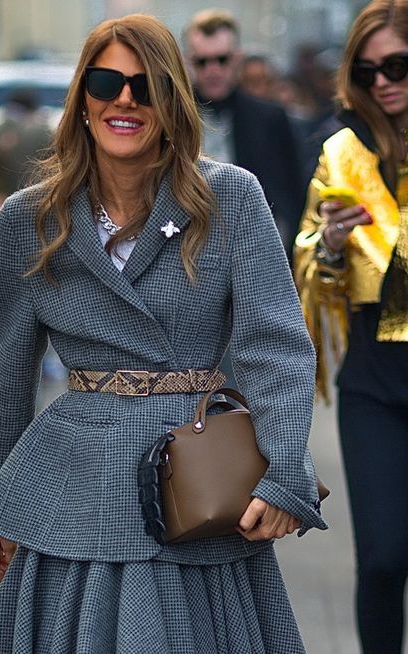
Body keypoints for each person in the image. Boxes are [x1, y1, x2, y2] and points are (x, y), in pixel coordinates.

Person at [0, 14, 326, 653]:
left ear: (174, 102)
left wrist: (285, 478)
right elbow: (10, 373)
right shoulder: (31, 218)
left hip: (198, 488)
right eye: (107, 81)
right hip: (75, 491)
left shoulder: (230, 199)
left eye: (148, 84)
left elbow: (275, 348)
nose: (126, 99)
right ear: (83, 98)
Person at [294, 2, 408, 653]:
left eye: (397, 65)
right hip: (374, 377)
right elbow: (311, 258)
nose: (383, 82)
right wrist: (331, 246)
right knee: (386, 558)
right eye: (367, 72)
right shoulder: (342, 151)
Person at [183, 9, 305, 258]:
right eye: (202, 62)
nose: (213, 70)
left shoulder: (269, 118)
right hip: (188, 246)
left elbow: (292, 192)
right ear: (188, 61)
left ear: (237, 59)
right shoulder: (174, 117)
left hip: (258, 246)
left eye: (222, 60)